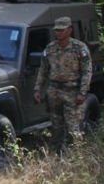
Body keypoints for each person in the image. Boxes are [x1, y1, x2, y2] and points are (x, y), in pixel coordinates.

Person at [33, 16, 92, 152]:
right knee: (56, 127)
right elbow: (43, 71)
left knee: (73, 127)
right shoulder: (50, 48)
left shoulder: (79, 48)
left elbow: (86, 72)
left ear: (69, 30)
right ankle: (56, 156)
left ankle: (77, 155)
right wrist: (37, 89)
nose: (58, 33)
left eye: (61, 30)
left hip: (73, 91)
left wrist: (83, 92)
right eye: (57, 30)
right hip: (54, 92)